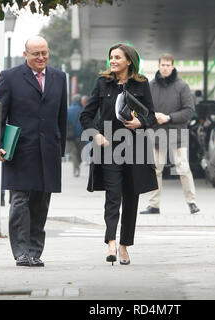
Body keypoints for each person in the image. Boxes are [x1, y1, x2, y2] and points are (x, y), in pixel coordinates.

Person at [79, 43, 158, 265]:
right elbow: (85, 116)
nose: (112, 61)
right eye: (111, 57)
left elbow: (151, 116)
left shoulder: (141, 84)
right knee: (113, 197)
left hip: (135, 149)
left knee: (131, 199)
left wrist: (140, 122)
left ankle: (124, 246)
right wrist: (96, 135)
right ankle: (111, 242)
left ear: (129, 61)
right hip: (108, 148)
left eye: (117, 57)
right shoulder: (102, 83)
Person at [0, 35, 68, 267]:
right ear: (25, 54)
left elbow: (61, 117)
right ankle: (21, 252)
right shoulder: (9, 77)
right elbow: (0, 114)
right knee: (20, 201)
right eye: (36, 53)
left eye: (44, 52)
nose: (41, 57)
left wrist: (60, 149)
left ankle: (35, 251)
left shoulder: (59, 77)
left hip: (48, 151)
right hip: (19, 149)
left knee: (40, 202)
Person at [140, 53, 200, 215]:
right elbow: (143, 109)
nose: (165, 68)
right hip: (156, 133)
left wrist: (168, 117)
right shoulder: (150, 86)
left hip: (176, 134)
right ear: (158, 66)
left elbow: (189, 111)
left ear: (172, 67)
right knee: (155, 169)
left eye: (168, 65)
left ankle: (192, 202)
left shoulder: (182, 86)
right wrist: (154, 116)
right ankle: (154, 205)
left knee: (183, 168)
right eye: (163, 65)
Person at [66, 94, 84, 177]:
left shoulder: (68, 110)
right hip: (80, 135)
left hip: (70, 135)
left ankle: (76, 168)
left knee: (73, 153)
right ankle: (77, 167)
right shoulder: (82, 110)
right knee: (79, 152)